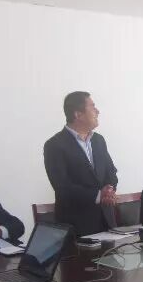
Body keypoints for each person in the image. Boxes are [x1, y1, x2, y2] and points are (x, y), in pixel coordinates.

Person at [44, 91, 118, 236]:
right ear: (78, 114)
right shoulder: (54, 145)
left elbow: (111, 172)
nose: (98, 111)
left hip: (106, 221)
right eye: (92, 107)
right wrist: (99, 195)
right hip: (76, 226)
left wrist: (110, 189)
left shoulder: (98, 140)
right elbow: (62, 186)